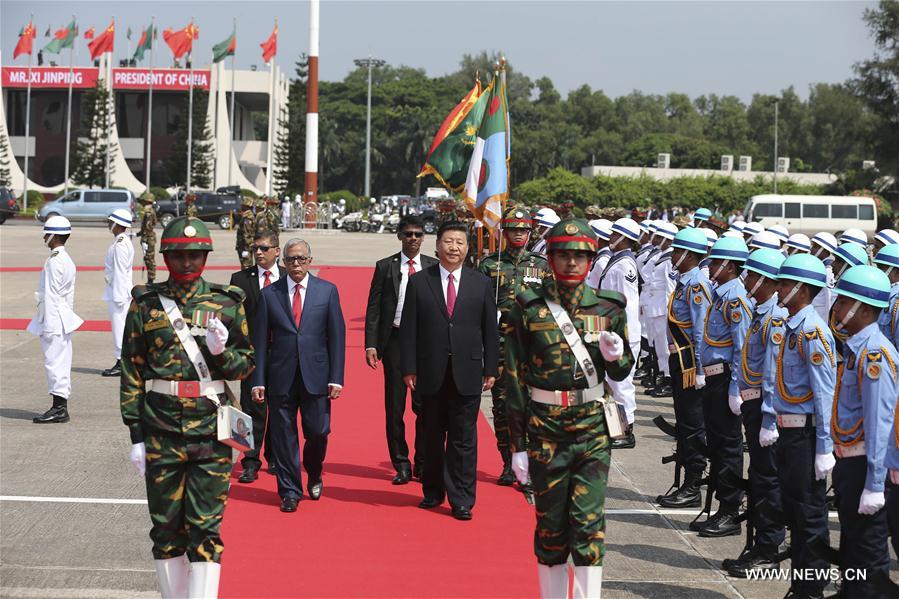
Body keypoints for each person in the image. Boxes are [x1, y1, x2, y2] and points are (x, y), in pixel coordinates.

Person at [120, 216, 255, 598]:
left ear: (206, 256)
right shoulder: (146, 306)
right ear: (165, 257)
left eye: (196, 254)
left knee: (205, 529)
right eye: (179, 255)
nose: (188, 263)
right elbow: (132, 368)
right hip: (160, 430)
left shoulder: (227, 304)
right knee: (165, 528)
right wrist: (135, 433)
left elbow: (245, 366)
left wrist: (221, 351)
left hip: (211, 433)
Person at [504, 218, 634, 598]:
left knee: (589, 525)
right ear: (551, 258)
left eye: (580, 256)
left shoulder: (610, 308)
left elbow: (623, 370)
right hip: (545, 432)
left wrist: (616, 356)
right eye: (563, 255)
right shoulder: (527, 309)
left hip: (592, 431)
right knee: (551, 529)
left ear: (591, 259)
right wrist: (517, 446)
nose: (572, 263)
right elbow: (513, 379)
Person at [400, 221, 499, 521]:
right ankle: (432, 491)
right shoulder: (420, 281)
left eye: (459, 242)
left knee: (464, 440)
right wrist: (409, 368)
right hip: (430, 372)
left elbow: (489, 331)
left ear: (468, 248)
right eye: (448, 241)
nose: (454, 247)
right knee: (431, 436)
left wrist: (491, 367)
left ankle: (462, 499)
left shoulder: (480, 282)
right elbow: (408, 330)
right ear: (437, 245)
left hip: (468, 372)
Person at [759, 253, 836, 599]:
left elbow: (824, 396)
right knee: (794, 512)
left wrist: (824, 447)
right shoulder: (792, 327)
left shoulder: (812, 332)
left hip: (806, 437)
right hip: (789, 435)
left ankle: (810, 590)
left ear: (802, 290)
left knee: (809, 518)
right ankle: (800, 586)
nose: (778, 289)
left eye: (785, 284)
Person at [251, 238, 346, 512]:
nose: (296, 264)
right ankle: (290, 491)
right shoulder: (270, 294)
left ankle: (314, 472)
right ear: (283, 262)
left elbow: (337, 337)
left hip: (316, 375)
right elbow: (259, 342)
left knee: (318, 431)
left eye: (301, 259)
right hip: (280, 376)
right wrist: (258, 380)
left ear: (310, 261)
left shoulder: (327, 291)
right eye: (291, 259)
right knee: (283, 435)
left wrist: (336, 377)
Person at [829, 265, 898, 597]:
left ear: (866, 310)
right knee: (853, 543)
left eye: (844, 302)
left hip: (865, 467)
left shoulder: (875, 355)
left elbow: (879, 425)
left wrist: (874, 484)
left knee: (869, 552)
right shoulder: (856, 349)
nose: (837, 308)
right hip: (849, 464)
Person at [722, 248, 787, 577]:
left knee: (767, 481)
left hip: (763, 411)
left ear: (767, 281)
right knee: (761, 479)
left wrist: (768, 418)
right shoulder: (761, 311)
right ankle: (763, 542)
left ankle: (768, 546)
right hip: (752, 407)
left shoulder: (774, 318)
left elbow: (773, 373)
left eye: (751, 275)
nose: (745, 279)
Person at [477, 206, 551, 484]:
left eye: (523, 230)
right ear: (504, 233)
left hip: (532, 347)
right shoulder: (489, 264)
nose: (518, 234)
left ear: (531, 233)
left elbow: (553, 305)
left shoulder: (541, 265)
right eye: (513, 230)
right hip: (499, 345)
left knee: (533, 407)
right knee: (503, 407)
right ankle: (508, 463)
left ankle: (529, 463)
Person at [364, 215, 438, 484]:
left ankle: (422, 461)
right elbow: (373, 307)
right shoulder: (385, 267)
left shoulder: (433, 266)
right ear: (399, 236)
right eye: (408, 234)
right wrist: (371, 343)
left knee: (425, 408)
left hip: (425, 345)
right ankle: (401, 463)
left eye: (418, 234)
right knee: (395, 408)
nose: (413, 239)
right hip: (394, 341)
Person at [693, 237, 753, 538]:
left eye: (716, 262)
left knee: (728, 447)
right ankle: (721, 507)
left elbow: (742, 347)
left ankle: (730, 510)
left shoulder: (736, 298)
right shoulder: (721, 294)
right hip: (714, 378)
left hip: (726, 380)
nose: (712, 266)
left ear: (730, 266)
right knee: (717, 446)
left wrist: (735, 389)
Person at [657, 227, 713, 509]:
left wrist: (701, 370)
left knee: (692, 426)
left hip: (692, 366)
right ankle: (688, 482)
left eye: (678, 252)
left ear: (690, 255)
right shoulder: (684, 282)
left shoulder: (697, 285)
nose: (674, 256)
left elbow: (703, 331)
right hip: (680, 363)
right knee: (684, 423)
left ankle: (693, 485)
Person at [228, 229, 286, 483]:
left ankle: (275, 457)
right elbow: (232, 318)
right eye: (256, 249)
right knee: (251, 408)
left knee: (280, 405)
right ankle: (249, 460)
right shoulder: (240, 279)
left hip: (283, 353)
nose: (259, 253)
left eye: (264, 248)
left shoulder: (289, 275)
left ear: (276, 250)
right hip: (252, 354)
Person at [27, 215, 84, 424]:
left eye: (46, 234)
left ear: (53, 236)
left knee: (54, 362)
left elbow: (51, 295)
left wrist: (49, 326)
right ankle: (59, 406)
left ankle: (59, 408)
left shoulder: (54, 261)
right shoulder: (66, 259)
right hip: (62, 316)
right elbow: (68, 295)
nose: (44, 238)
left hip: (53, 318)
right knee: (61, 361)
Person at [599, 217, 642, 448]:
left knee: (622, 384)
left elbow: (627, 303)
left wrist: (620, 334)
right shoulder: (618, 260)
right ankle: (616, 429)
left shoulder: (625, 264)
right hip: (614, 333)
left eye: (616, 235)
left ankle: (626, 432)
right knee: (612, 383)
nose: (611, 237)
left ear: (626, 239)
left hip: (623, 334)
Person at [645, 221, 679, 398]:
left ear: (667, 239)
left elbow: (670, 289)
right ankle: (663, 377)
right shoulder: (662, 256)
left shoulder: (669, 260)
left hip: (662, 308)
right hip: (655, 306)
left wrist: (669, 314)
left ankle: (668, 380)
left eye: (659, 236)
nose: (655, 239)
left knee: (665, 348)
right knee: (659, 347)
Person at [101, 209, 135, 377]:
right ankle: (122, 360)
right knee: (120, 328)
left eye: (110, 222)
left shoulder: (121, 245)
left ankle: (121, 361)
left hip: (119, 293)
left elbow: (121, 272)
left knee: (119, 328)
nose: (109, 225)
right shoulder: (122, 241)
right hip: (118, 291)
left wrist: (119, 297)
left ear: (118, 224)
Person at [138, 193, 157, 283]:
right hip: (148, 237)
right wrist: (138, 234)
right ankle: (150, 279)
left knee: (149, 260)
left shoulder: (148, 212)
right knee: (148, 259)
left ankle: (151, 280)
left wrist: (144, 239)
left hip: (149, 238)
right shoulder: (149, 211)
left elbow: (148, 227)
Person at [236, 197, 256, 269]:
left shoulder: (247, 218)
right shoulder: (249, 216)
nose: (241, 206)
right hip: (246, 246)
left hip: (245, 247)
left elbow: (247, 235)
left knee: (246, 267)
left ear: (246, 206)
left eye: (243, 205)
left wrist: (246, 249)